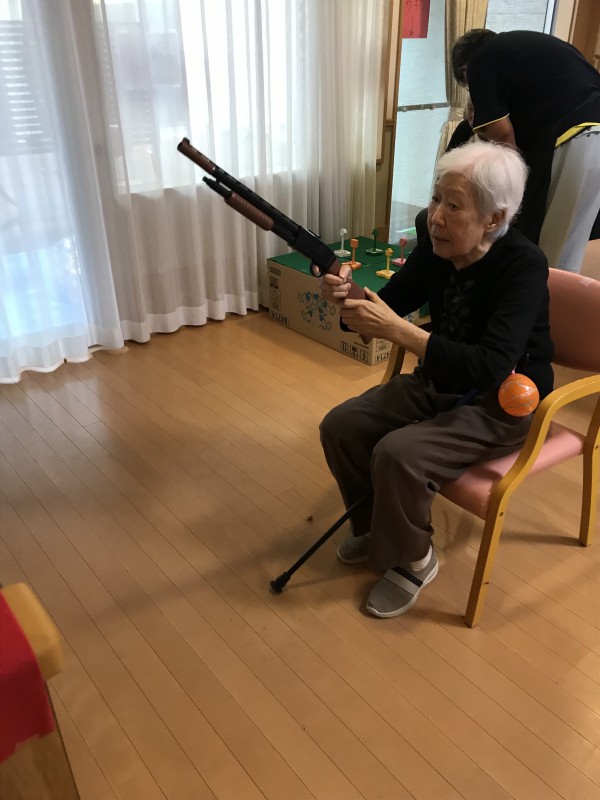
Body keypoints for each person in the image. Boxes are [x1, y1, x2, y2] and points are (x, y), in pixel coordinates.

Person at [319, 140, 553, 618]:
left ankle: (415, 560)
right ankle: (375, 527)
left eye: (454, 206)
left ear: (494, 218)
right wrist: (348, 298)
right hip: (440, 378)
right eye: (435, 198)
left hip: (501, 401)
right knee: (341, 425)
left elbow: (490, 366)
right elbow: (389, 305)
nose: (436, 217)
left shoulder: (524, 266)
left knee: (399, 454)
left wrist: (400, 332)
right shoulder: (436, 247)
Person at [451, 29, 600, 273]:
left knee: (553, 251)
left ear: (466, 70)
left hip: (579, 138)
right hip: (589, 136)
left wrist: (511, 198)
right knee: (568, 243)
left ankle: (545, 296)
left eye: (470, 88)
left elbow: (502, 136)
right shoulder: (525, 54)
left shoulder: (482, 62)